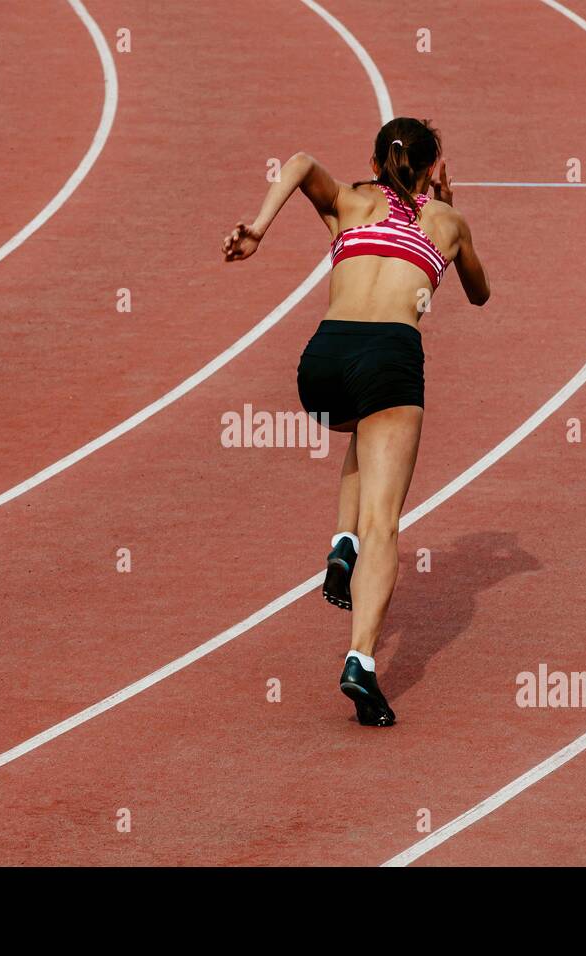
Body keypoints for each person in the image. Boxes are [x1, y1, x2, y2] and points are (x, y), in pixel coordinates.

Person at [223, 117, 490, 726]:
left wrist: (258, 231)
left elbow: (296, 159)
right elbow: (480, 293)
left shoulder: (346, 202)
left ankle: (342, 542)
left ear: (375, 159)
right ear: (431, 170)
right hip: (390, 358)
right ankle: (361, 662)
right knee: (385, 523)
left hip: (321, 365)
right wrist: (446, 214)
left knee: (367, 430)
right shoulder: (446, 222)